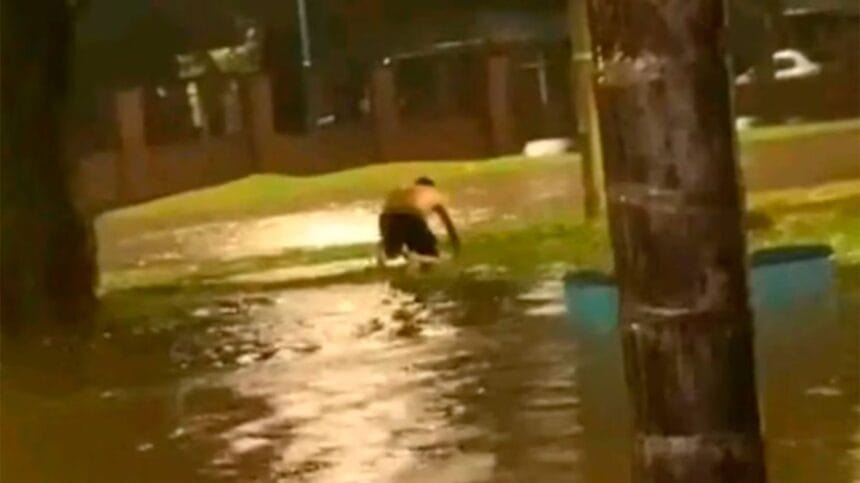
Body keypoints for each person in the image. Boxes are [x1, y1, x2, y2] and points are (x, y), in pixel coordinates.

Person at [377, 176, 460, 267]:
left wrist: (385, 239)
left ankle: (397, 256)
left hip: (386, 217)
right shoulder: (432, 192)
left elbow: (385, 216)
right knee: (429, 254)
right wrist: (457, 247)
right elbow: (448, 224)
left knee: (392, 254)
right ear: (431, 187)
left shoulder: (402, 191)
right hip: (411, 216)